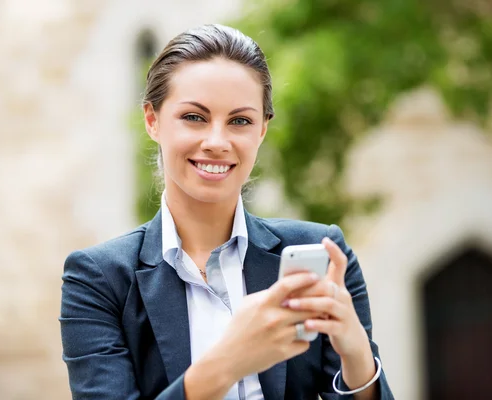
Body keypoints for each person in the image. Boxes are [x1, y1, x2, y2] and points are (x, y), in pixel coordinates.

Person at [59, 24, 394, 400]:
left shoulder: (323, 254)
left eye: (240, 121)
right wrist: (229, 362)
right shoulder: (99, 280)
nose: (217, 142)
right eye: (194, 117)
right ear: (152, 120)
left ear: (262, 130)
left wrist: (356, 356)